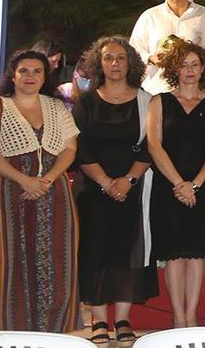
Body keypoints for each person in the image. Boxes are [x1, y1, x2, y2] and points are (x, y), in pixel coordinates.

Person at [0, 50, 80, 331]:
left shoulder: (56, 107)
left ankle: (51, 331)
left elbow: (69, 148)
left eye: (37, 71)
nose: (30, 76)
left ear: (45, 76)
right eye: (24, 71)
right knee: (6, 259)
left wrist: (48, 179)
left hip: (53, 192)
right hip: (8, 191)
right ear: (13, 75)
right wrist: (25, 180)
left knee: (55, 258)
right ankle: (3, 328)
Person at [72, 37, 157, 343]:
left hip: (133, 189)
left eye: (121, 58)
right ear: (99, 63)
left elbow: (152, 146)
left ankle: (122, 319)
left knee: (127, 251)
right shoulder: (85, 102)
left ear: (130, 63)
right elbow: (79, 149)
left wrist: (127, 181)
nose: (115, 63)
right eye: (108, 58)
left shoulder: (146, 100)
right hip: (94, 191)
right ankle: (98, 321)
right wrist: (108, 182)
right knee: (95, 252)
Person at [146, 41, 205, 327]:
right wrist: (180, 184)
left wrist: (196, 185)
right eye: (184, 64)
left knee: (196, 254)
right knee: (175, 255)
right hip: (169, 188)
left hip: (201, 188)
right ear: (174, 69)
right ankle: (178, 316)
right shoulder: (159, 101)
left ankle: (192, 314)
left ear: (203, 68)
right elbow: (154, 146)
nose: (189, 70)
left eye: (195, 64)